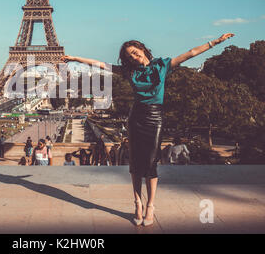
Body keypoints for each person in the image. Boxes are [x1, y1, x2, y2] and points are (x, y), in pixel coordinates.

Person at [62, 32, 235, 226]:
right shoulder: (130, 72)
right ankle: (137, 202)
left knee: (151, 162)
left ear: (142, 49)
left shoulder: (162, 65)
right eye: (129, 56)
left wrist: (216, 42)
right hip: (136, 116)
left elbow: (191, 52)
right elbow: (101, 64)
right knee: (135, 164)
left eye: (135, 53)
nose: (133, 58)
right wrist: (75, 58)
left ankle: (150, 205)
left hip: (155, 117)